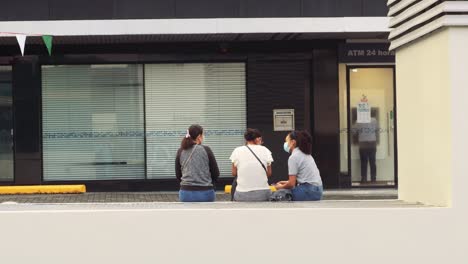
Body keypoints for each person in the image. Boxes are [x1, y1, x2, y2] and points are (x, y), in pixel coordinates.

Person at [175, 124, 219, 202]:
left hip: (186, 193)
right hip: (206, 192)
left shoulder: (180, 151)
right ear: (199, 137)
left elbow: (178, 175)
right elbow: (216, 173)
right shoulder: (206, 150)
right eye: (203, 135)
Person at [274, 130, 323, 201]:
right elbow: (303, 179)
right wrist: (285, 183)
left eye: (287, 141)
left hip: (308, 191)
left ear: (293, 142)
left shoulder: (293, 157)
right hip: (318, 191)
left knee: (277, 194)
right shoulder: (306, 154)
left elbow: (291, 184)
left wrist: (278, 187)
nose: (285, 143)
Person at [229, 128, 273, 202]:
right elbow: (269, 173)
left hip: (242, 194)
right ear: (257, 139)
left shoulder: (237, 151)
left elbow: (234, 173)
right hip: (263, 194)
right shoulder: (265, 150)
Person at [353, 116, 379, 183]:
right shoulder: (374, 120)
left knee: (364, 163)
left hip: (363, 144)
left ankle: (364, 179)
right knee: (372, 162)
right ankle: (373, 179)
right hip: (372, 144)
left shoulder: (358, 121)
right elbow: (377, 130)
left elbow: (353, 131)